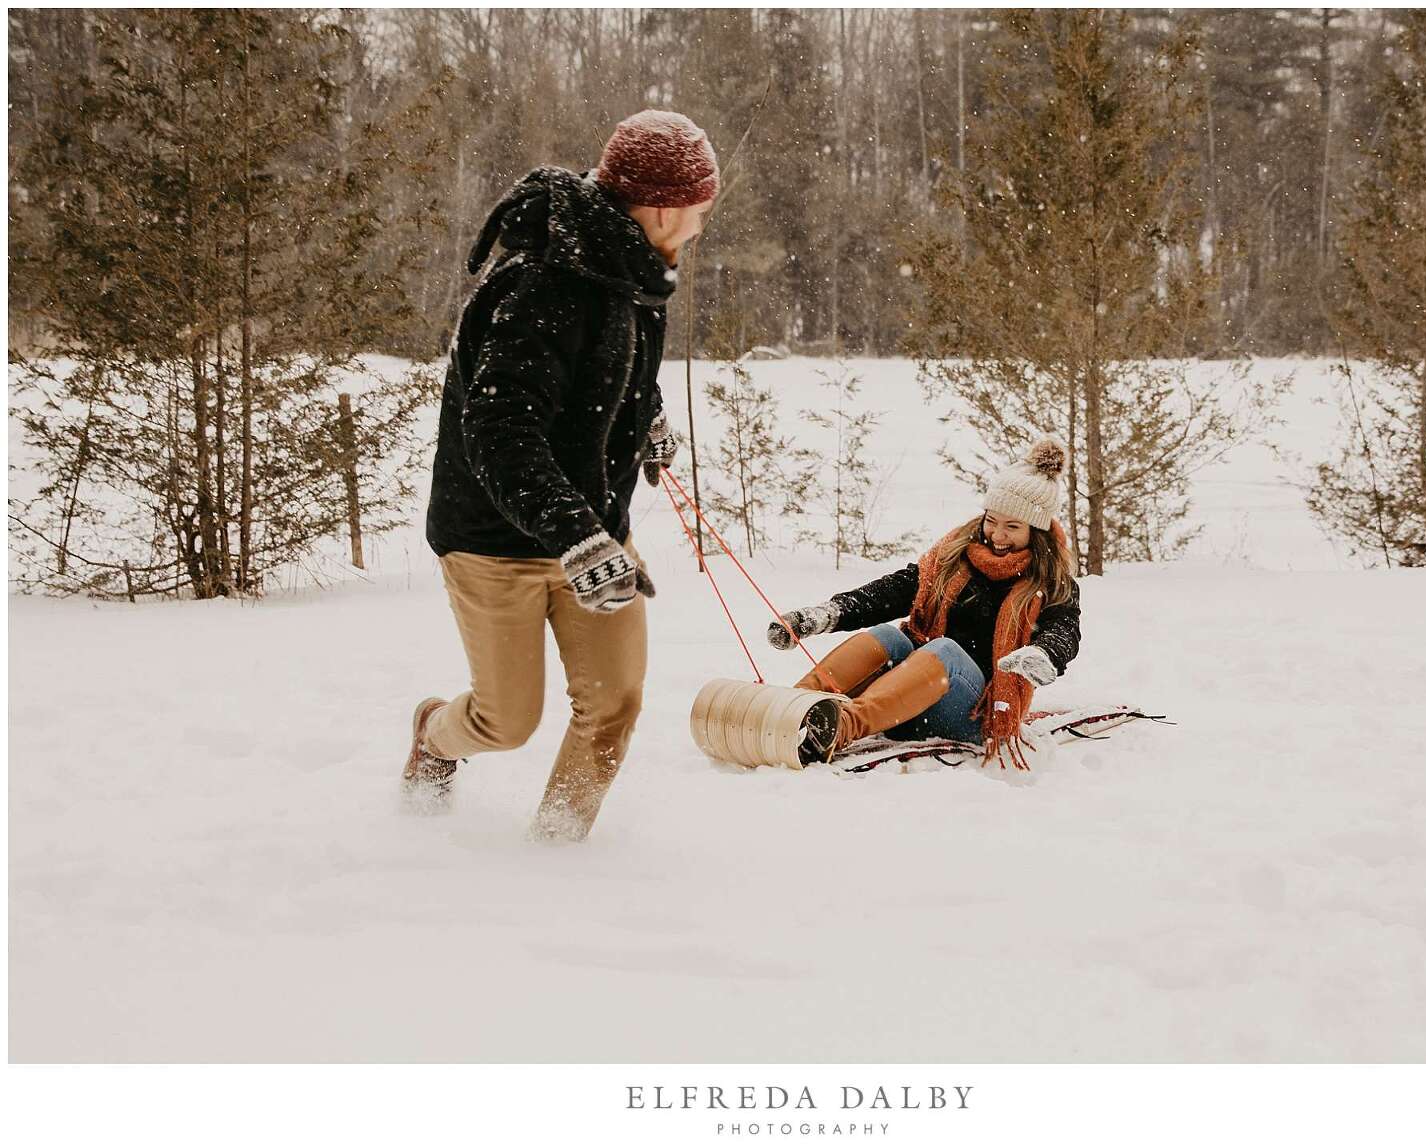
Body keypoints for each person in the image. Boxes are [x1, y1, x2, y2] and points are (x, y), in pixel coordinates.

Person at [402, 110, 718, 839]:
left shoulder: (631, 268)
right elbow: (501, 431)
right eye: (699, 211)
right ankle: (432, 739)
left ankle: (556, 854)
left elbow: (610, 369)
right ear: (665, 207)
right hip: (495, 541)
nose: (700, 227)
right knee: (505, 721)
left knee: (615, 703)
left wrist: (645, 422)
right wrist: (575, 535)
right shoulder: (543, 282)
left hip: (593, 537)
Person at [769, 439, 1081, 767]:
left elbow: (1065, 629)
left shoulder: (1051, 582)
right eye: (992, 520)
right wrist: (829, 613)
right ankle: (790, 707)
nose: (997, 534)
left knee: (944, 651)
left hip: (971, 714)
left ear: (1037, 530)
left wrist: (1045, 654)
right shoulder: (954, 557)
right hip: (907, 693)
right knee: (889, 637)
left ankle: (838, 729)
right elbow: (894, 591)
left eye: (1013, 527)